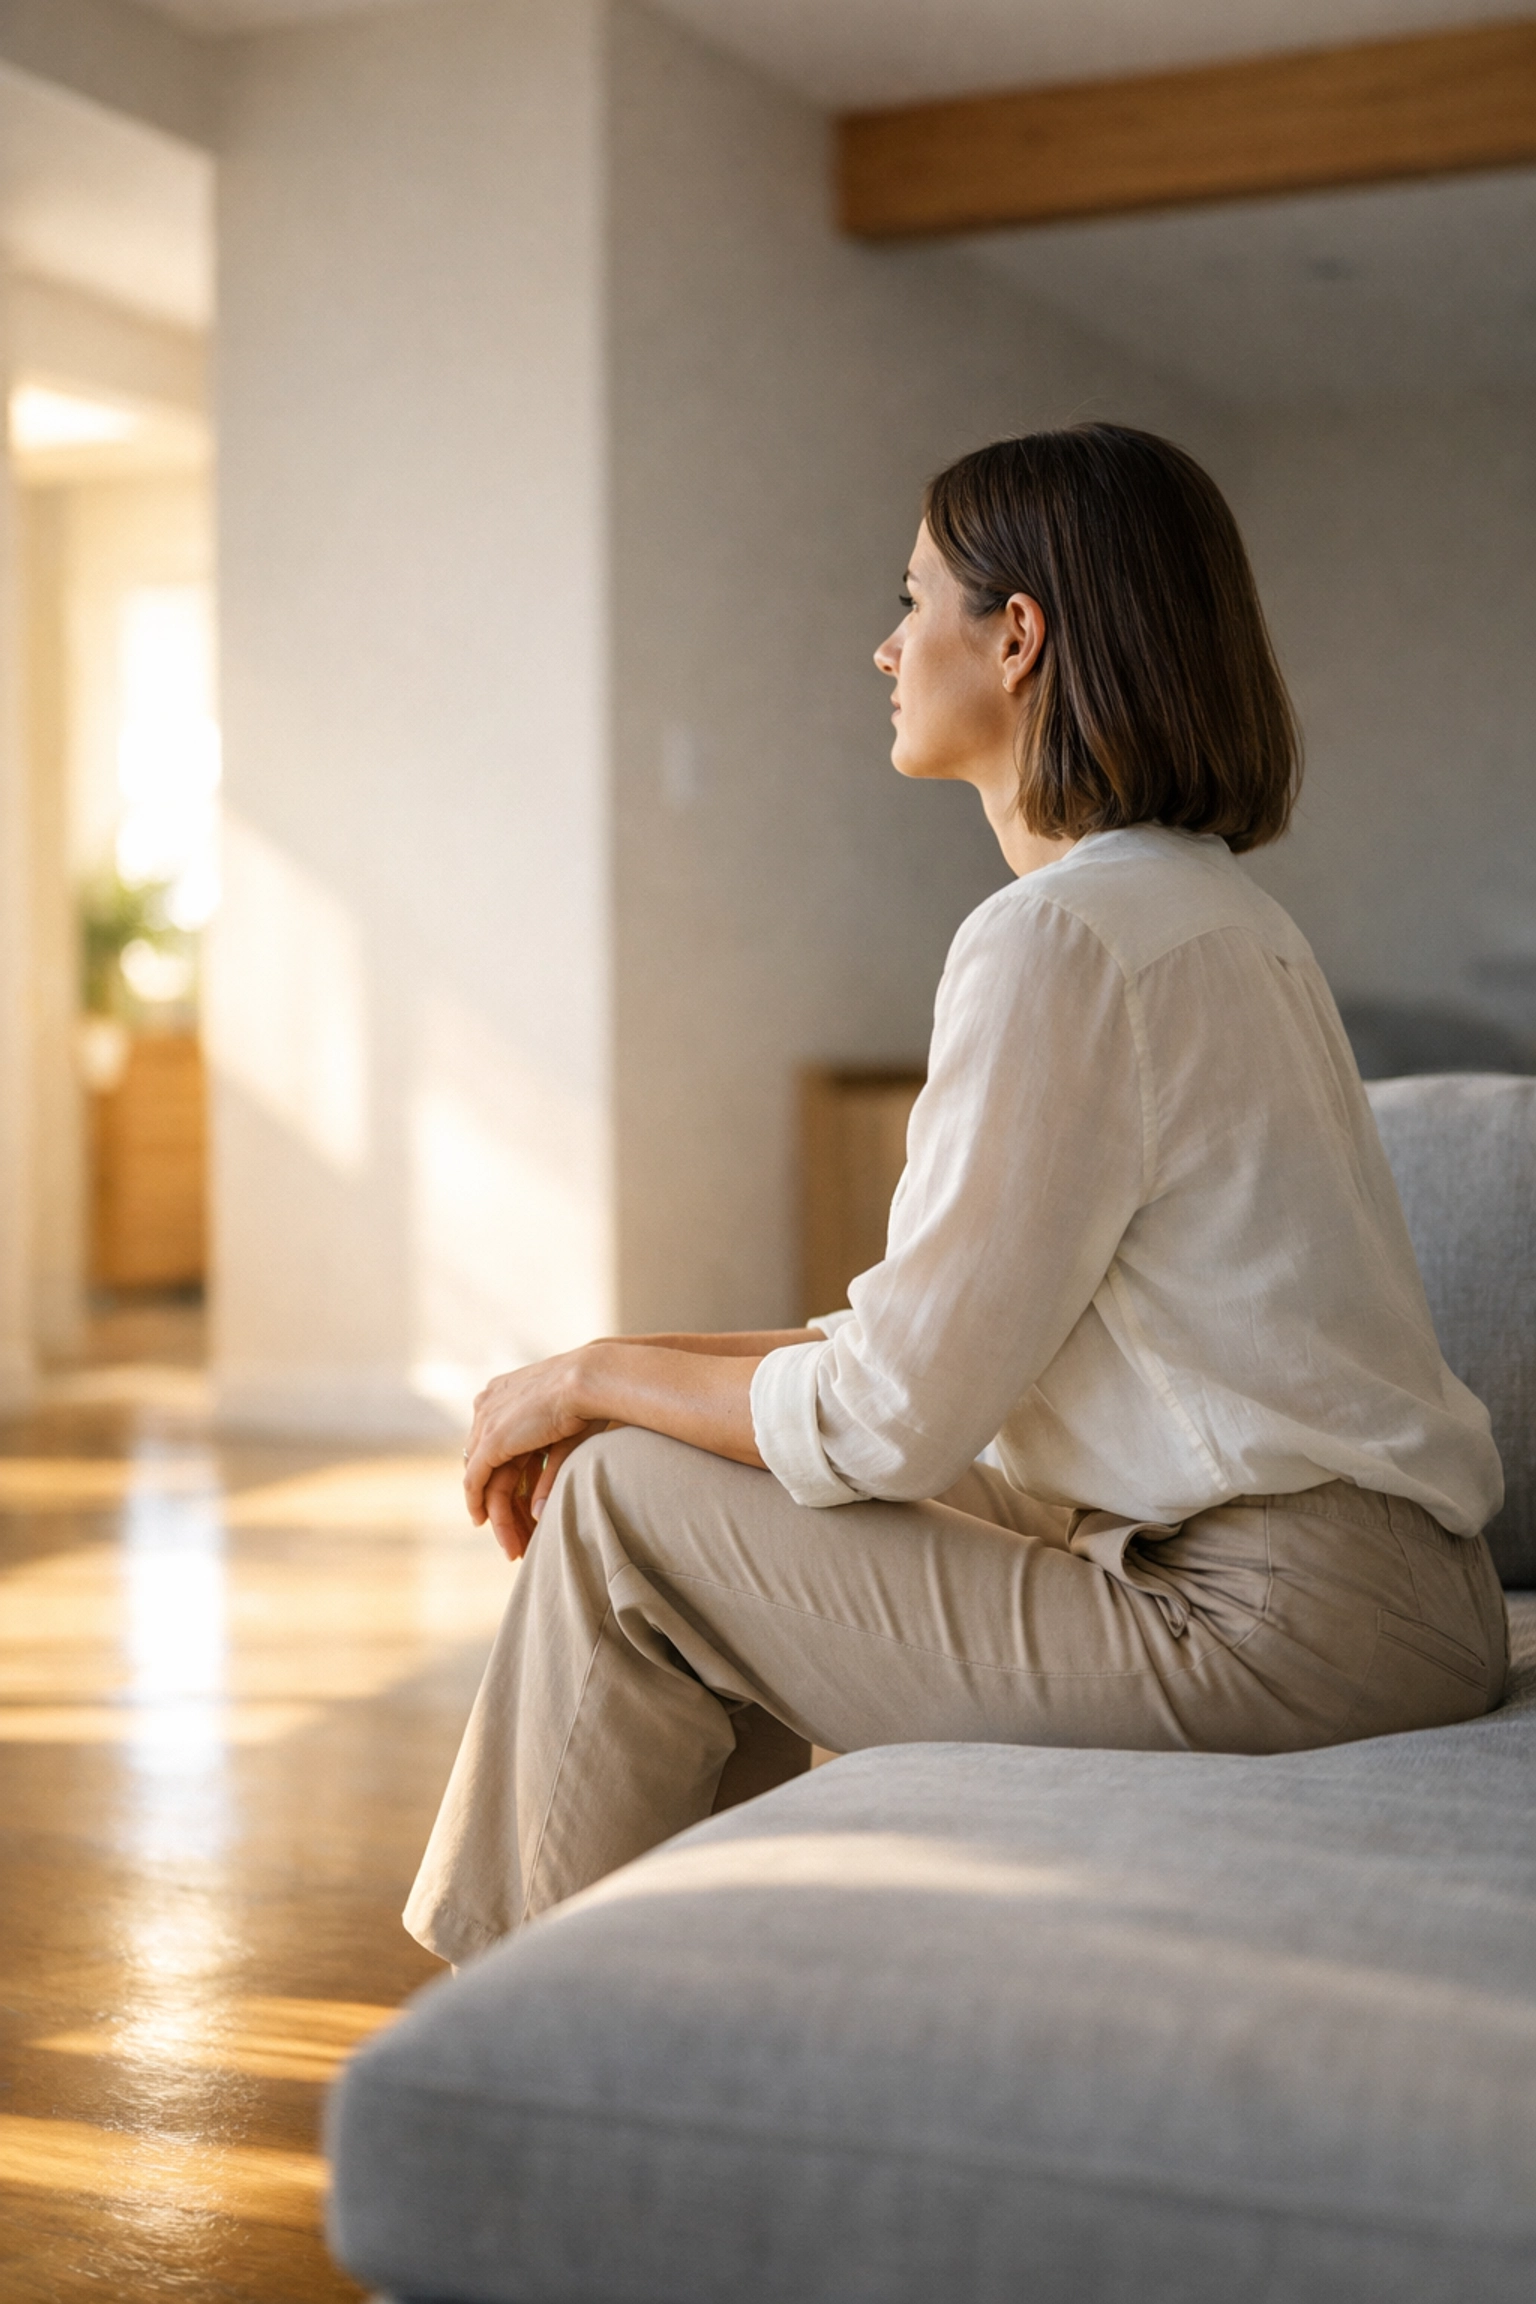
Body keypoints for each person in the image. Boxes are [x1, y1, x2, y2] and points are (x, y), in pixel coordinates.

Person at [405, 423, 1506, 1968]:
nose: (884, 644)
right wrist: (612, 1380)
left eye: (911, 598)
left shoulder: (1058, 940)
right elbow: (913, 1352)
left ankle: (515, 2024)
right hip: (1386, 1598)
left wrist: (591, 1380)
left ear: (1016, 635)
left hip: (1273, 1626)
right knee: (640, 1468)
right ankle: (658, 1984)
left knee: (624, 1509)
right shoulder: (1214, 915)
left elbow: (884, 1418)